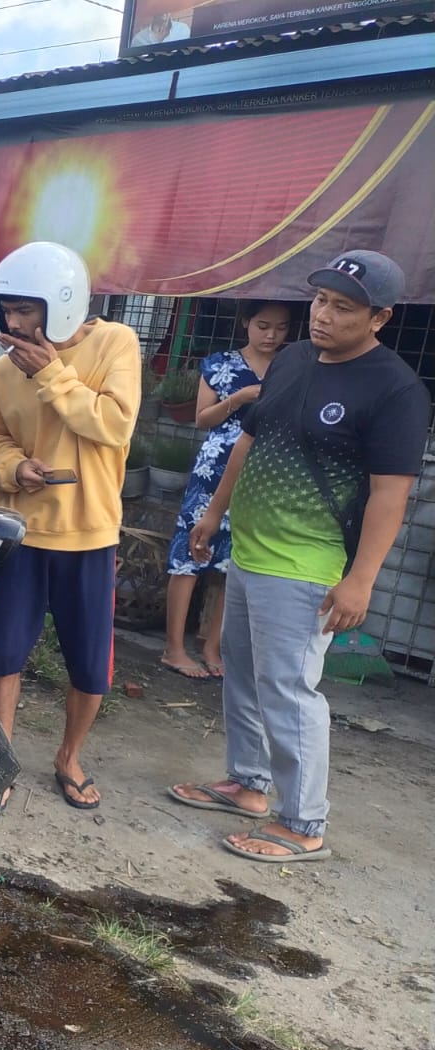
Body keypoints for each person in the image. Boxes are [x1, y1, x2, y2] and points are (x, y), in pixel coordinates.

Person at [169, 250, 430, 863]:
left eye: (343, 307)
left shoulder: (396, 390)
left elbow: (391, 495)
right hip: (252, 549)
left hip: (309, 564)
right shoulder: (292, 359)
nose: (323, 315)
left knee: (288, 690)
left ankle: (304, 822)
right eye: (319, 300)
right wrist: (213, 515)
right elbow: (248, 440)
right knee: (241, 670)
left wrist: (360, 579)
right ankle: (249, 785)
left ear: (380, 318)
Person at [0, 241, 142, 810]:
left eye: (26, 310)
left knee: (90, 664)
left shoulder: (115, 343)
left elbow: (113, 425)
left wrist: (54, 376)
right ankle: (0, 755)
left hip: (90, 534)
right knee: (2, 653)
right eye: (8, 312)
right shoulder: (0, 370)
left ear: (61, 304)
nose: (14, 324)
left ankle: (69, 758)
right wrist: (14, 467)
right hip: (21, 531)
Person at [160, 302, 293, 679]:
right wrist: (241, 398)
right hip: (215, 468)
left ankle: (212, 646)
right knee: (190, 554)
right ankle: (173, 648)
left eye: (281, 328)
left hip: (263, 472)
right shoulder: (219, 363)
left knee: (234, 561)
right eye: (263, 326)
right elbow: (203, 419)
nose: (271, 335)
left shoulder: (292, 367)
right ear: (245, 323)